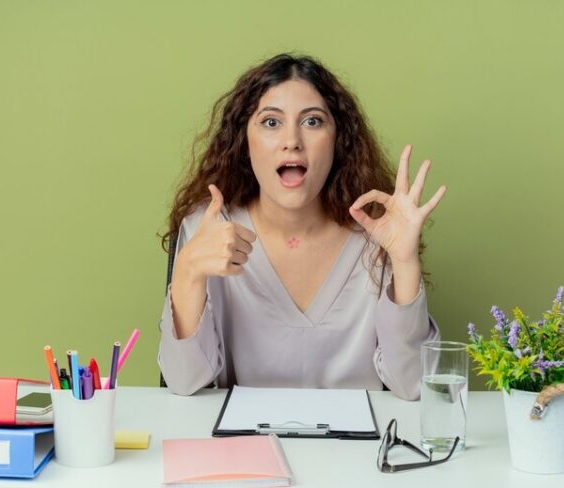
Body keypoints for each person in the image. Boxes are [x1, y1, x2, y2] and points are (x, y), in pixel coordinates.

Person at [157, 53, 447, 400]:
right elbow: (183, 383)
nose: (292, 140)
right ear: (242, 141)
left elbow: (412, 384)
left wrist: (404, 261)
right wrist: (187, 271)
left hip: (358, 452)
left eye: (312, 122)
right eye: (270, 122)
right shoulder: (210, 230)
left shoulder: (377, 234)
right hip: (247, 450)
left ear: (338, 141)